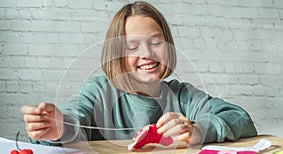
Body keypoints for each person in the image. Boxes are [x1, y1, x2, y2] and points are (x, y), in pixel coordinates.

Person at [21, 1, 257, 146]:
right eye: (132, 47)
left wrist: (197, 130)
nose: (147, 54)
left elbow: (240, 118)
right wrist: (59, 128)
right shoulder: (99, 91)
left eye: (156, 42)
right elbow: (75, 118)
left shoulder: (182, 95)